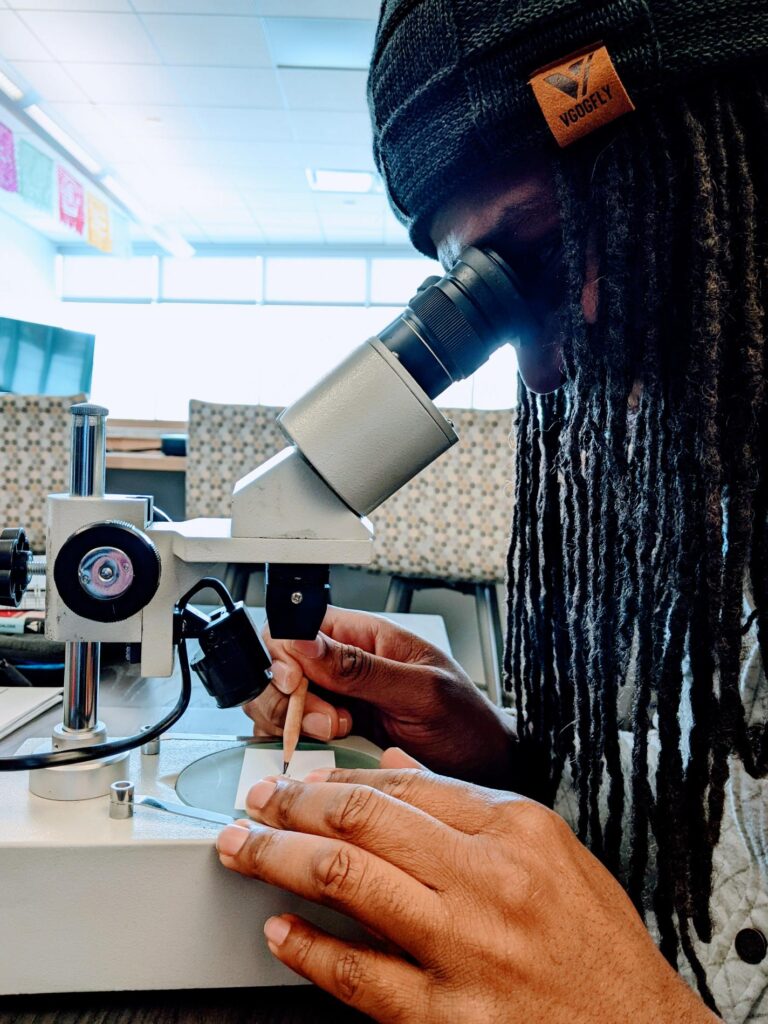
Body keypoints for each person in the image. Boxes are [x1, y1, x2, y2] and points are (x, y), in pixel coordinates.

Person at [215, 2, 768, 1020]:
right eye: (483, 291)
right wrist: (513, 760)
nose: (545, 367)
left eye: (550, 252)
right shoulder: (715, 486)